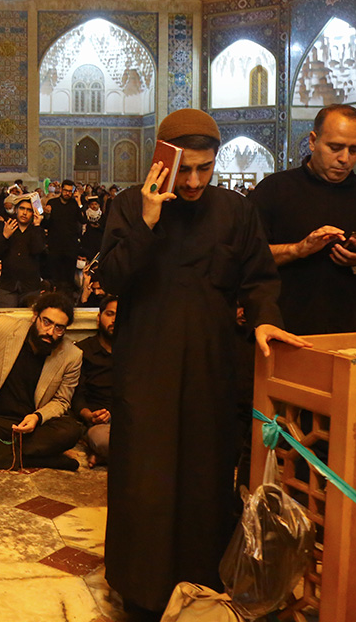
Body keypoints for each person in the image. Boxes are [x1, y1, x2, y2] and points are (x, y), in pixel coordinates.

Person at [96, 108, 309, 621]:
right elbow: (112, 278)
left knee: (204, 480)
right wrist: (148, 219)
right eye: (184, 169)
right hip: (146, 371)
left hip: (211, 370)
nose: (193, 182)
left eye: (205, 169)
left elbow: (259, 279)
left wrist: (264, 319)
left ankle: (201, 581)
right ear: (162, 161)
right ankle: (140, 590)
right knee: (145, 482)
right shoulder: (129, 206)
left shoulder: (235, 211)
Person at [249, 104, 356, 335]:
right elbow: (247, 258)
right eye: (335, 147)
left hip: (349, 331)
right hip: (283, 329)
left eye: (354, 150)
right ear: (313, 141)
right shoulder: (274, 190)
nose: (344, 159)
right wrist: (297, 250)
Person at [0, 291, 83, 470]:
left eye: (59, 328)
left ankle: (10, 453)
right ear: (35, 316)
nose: (50, 332)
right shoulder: (5, 327)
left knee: (71, 430)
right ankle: (42, 460)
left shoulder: (72, 356)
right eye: (46, 322)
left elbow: (62, 401)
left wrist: (37, 417)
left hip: (32, 424)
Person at [73, 294, 116, 466]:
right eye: (110, 314)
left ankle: (103, 457)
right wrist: (90, 416)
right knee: (103, 440)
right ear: (99, 318)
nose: (115, 320)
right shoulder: (83, 351)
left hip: (130, 420)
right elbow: (76, 396)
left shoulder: (135, 351)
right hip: (98, 422)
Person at [0, 195, 46, 307]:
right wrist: (5, 236)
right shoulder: (7, 227)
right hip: (8, 285)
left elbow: (37, 250)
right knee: (6, 317)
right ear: (16, 210)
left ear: (33, 213)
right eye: (22, 208)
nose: (24, 213)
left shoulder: (37, 230)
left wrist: (37, 225)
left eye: (29, 210)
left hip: (30, 287)